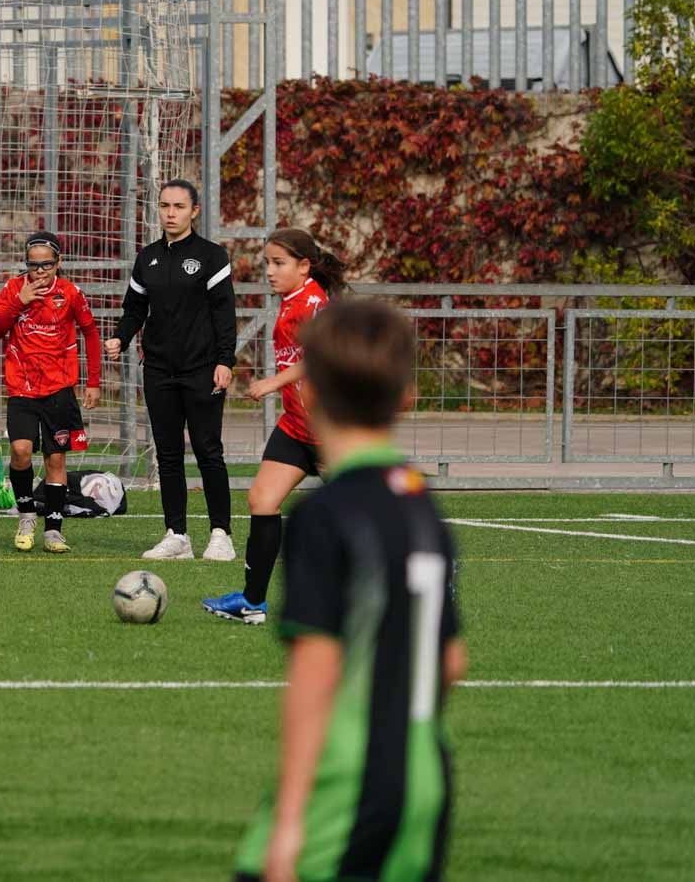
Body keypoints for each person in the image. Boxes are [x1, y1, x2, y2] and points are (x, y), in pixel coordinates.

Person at [233, 297, 465, 882]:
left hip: (342, 789)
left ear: (310, 396)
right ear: (406, 401)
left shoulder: (326, 515)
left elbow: (316, 674)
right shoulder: (423, 506)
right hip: (424, 784)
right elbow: (451, 661)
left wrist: (289, 821)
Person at [203, 228, 347, 624]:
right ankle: (253, 601)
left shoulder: (313, 301)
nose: (269, 270)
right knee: (262, 501)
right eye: (267, 262)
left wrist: (272, 382)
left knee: (361, 516)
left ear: (304, 266)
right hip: (297, 428)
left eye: (278, 263)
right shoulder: (292, 300)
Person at [105, 179, 237, 561]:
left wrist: (225, 361)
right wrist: (121, 338)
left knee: (208, 451)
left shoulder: (212, 257)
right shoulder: (147, 258)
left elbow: (223, 313)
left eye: (179, 206)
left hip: (202, 370)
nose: (170, 213)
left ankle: (220, 534)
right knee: (167, 454)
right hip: (159, 370)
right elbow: (134, 309)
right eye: (164, 206)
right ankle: (177, 534)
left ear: (194, 211)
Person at [0, 231, 101, 554]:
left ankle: (53, 529)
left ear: (58, 263)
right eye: (33, 265)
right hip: (21, 387)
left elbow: (90, 334)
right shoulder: (12, 289)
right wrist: (18, 303)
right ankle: (26, 514)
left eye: (46, 265)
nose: (39, 272)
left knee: (55, 458)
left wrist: (93, 381)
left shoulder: (70, 293)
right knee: (21, 451)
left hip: (59, 389)